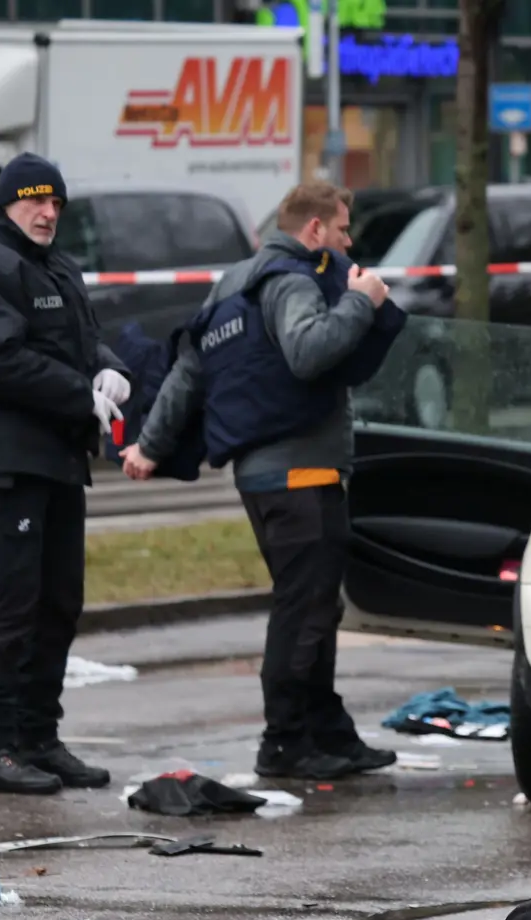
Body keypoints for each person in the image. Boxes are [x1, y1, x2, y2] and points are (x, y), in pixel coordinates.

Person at [124, 181, 405, 781]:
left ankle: (327, 732)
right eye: (342, 229)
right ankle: (283, 743)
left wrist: (149, 446)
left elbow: (187, 374)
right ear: (313, 231)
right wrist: (361, 302)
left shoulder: (234, 283)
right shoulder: (294, 281)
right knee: (303, 611)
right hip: (298, 472)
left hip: (268, 475)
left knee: (315, 608)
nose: (349, 240)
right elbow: (308, 351)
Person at [0, 154, 131, 796]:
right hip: (5, 463)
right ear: (8, 203)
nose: (47, 214)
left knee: (57, 603)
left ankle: (36, 737)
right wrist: (78, 394)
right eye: (35, 202)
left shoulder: (54, 266)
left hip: (57, 461)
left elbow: (79, 339)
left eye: (56, 204)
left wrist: (106, 368)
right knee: (13, 606)